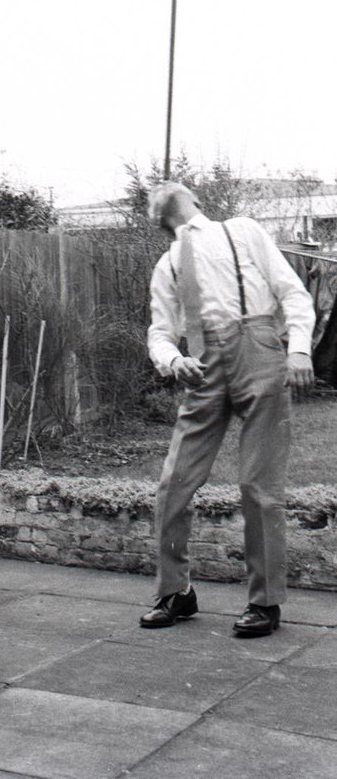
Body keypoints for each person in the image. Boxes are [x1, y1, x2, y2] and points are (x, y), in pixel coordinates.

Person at [140, 181, 315, 638]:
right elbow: (159, 331)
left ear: (194, 200)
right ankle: (176, 591)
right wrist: (173, 360)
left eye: (166, 189)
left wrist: (298, 350)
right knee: (173, 485)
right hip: (200, 365)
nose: (157, 192)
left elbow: (292, 293)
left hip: (257, 348)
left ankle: (265, 601)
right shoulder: (168, 264)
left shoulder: (242, 231)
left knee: (259, 486)